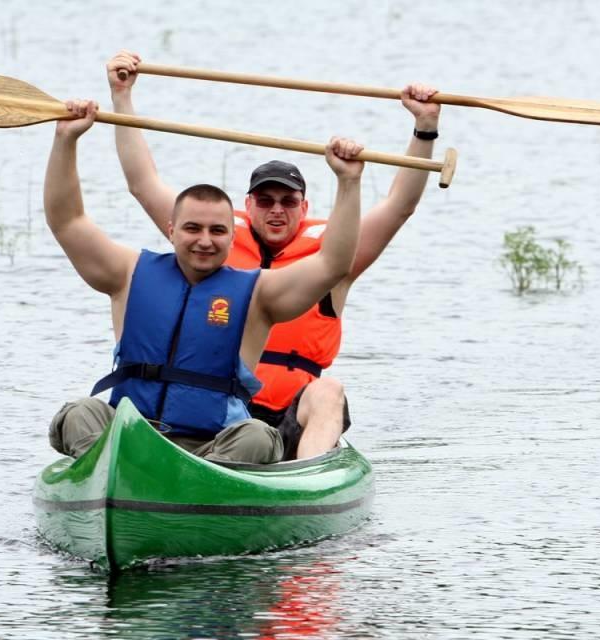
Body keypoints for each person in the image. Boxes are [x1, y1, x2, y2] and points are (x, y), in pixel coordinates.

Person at [105, 50, 442, 460]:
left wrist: (424, 127)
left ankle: (304, 480)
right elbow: (143, 183)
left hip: (289, 414)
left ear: (305, 206)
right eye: (265, 201)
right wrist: (121, 96)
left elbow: (398, 205)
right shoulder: (213, 242)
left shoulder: (332, 254)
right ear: (248, 205)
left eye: (288, 200)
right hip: (218, 410)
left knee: (328, 391)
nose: (277, 210)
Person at [44, 97, 365, 464]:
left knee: (258, 437)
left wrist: (348, 180)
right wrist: (66, 140)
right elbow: (67, 221)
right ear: (171, 229)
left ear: (232, 237)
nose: (204, 240)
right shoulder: (128, 274)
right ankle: (108, 474)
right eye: (192, 228)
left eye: (217, 231)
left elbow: (333, 264)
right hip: (132, 433)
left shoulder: (259, 293)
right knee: (80, 413)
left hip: (215, 447)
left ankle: (201, 491)